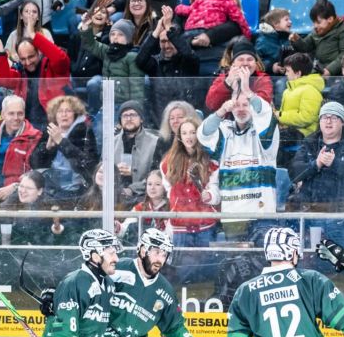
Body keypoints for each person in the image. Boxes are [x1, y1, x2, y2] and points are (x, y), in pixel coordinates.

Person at [198, 68, 279, 237]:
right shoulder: (225, 131)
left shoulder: (263, 129)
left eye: (246, 104)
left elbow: (265, 115)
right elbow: (204, 134)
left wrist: (249, 93)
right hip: (232, 215)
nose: (241, 109)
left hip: (261, 214)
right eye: (236, 105)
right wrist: (221, 111)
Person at [289, 100, 344, 246]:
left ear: (342, 122)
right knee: (316, 256)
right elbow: (294, 172)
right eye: (325, 117)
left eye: (334, 117)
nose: (329, 121)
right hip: (313, 214)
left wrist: (335, 163)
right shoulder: (310, 142)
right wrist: (316, 164)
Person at [0, 22, 70, 130]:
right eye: (23, 59)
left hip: (53, 125)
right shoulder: (21, 72)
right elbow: (4, 80)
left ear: (39, 52)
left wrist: (34, 36)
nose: (27, 62)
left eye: (31, 57)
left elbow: (61, 59)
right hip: (27, 128)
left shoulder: (53, 68)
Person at [160, 115, 219, 245]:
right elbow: (168, 189)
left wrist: (209, 196)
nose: (189, 137)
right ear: (180, 136)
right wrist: (177, 203)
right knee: (182, 264)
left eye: (193, 132)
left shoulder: (209, 161)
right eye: (185, 133)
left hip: (205, 226)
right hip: (180, 227)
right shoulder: (168, 163)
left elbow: (215, 189)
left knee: (206, 263)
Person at [137, 5, 202, 119]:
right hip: (161, 119)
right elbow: (140, 60)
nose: (167, 46)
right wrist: (157, 30)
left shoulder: (188, 61)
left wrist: (168, 27)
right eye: (163, 41)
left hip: (186, 119)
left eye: (170, 41)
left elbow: (188, 54)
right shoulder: (155, 63)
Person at [31, 95, 98, 204]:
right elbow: (35, 164)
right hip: (49, 188)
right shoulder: (49, 131)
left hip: (76, 190)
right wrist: (47, 148)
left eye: (68, 111)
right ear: (55, 115)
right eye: (60, 111)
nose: (64, 114)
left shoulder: (84, 131)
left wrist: (62, 142)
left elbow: (88, 164)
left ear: (75, 114)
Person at [78, 14, 146, 116]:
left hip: (124, 107)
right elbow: (90, 44)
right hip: (107, 104)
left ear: (128, 38)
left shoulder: (132, 56)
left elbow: (137, 88)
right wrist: (85, 24)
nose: (115, 37)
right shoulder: (107, 51)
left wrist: (134, 111)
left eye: (120, 34)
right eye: (113, 34)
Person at [288, 0, 344, 78]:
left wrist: (329, 70)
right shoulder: (318, 31)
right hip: (319, 70)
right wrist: (297, 40)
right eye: (313, 22)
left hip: (337, 75)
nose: (315, 26)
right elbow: (305, 47)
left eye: (318, 22)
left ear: (330, 19)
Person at [205, 38, 273, 111]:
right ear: (233, 63)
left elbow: (263, 107)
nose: (245, 63)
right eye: (240, 59)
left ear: (255, 63)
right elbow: (211, 104)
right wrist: (227, 83)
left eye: (250, 59)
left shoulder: (262, 78)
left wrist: (246, 89)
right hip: (229, 120)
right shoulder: (224, 77)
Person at [114, 100, 160, 206]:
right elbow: (102, 171)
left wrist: (132, 188)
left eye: (133, 115)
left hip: (145, 197)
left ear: (142, 119)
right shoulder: (111, 142)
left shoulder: (156, 142)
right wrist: (115, 170)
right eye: (125, 115)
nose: (129, 119)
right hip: (115, 197)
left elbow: (158, 174)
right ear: (120, 120)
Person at [0, 170, 61, 246]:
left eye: (29, 188)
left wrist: (57, 228)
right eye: (21, 186)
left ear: (40, 191)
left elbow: (63, 229)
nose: (23, 191)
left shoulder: (50, 205)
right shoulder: (13, 200)